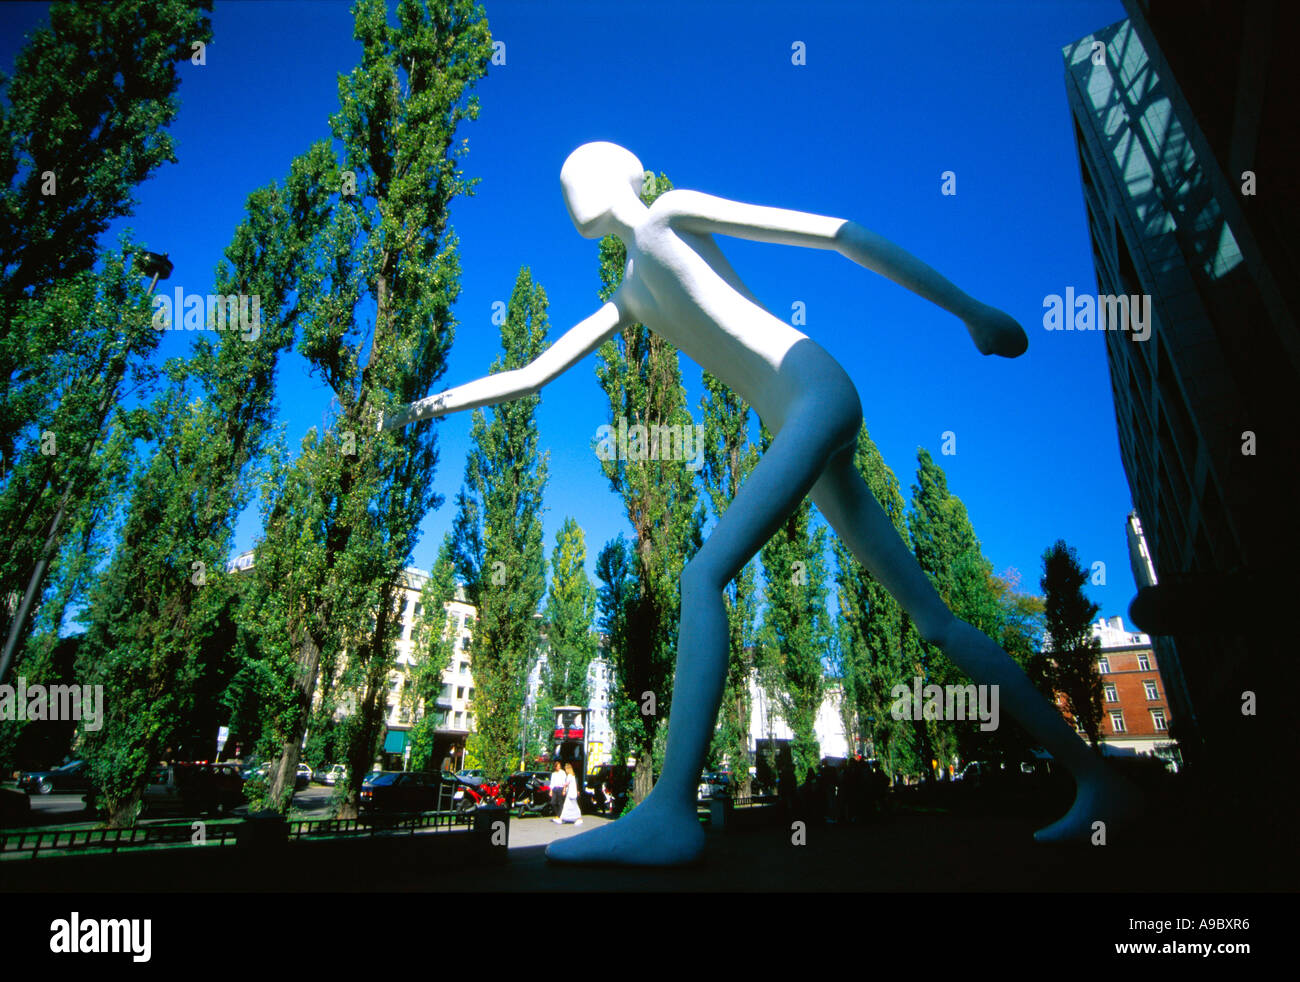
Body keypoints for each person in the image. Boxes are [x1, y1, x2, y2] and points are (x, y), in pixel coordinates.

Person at [383, 141, 1141, 865]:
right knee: (935, 621)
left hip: (814, 391)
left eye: (572, 173)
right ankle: (1098, 782)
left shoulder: (669, 212)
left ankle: (672, 811)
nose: (567, 189)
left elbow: (837, 234)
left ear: (616, 174)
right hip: (799, 421)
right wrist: (418, 411)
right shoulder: (627, 295)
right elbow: (530, 374)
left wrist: (969, 309)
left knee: (700, 577)